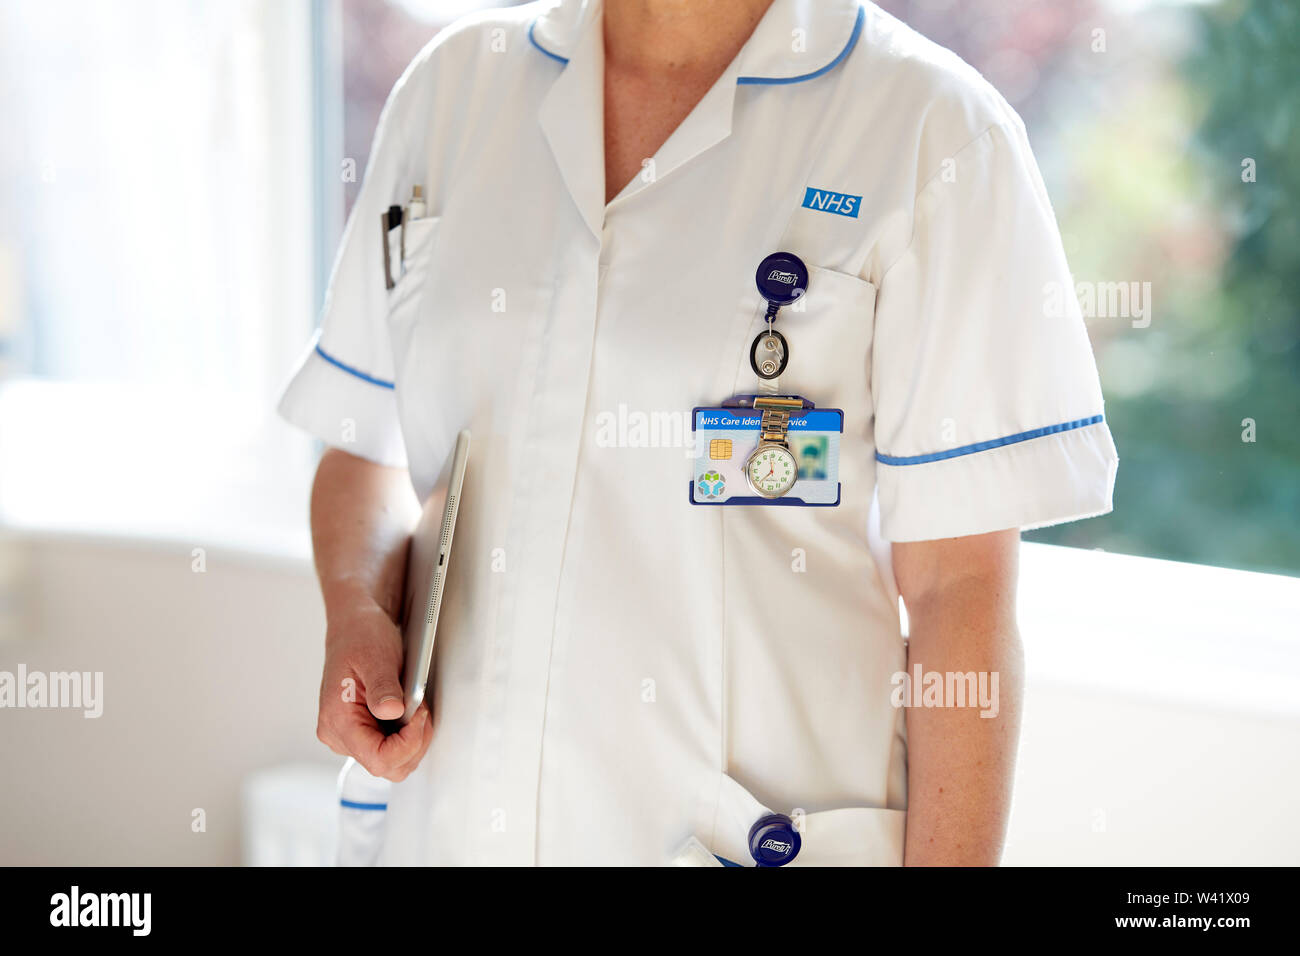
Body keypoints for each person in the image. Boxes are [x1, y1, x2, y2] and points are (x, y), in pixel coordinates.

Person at [279, 0, 1118, 866]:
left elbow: (958, 591)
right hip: (448, 830)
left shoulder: (932, 133)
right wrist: (356, 607)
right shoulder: (454, 90)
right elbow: (364, 445)